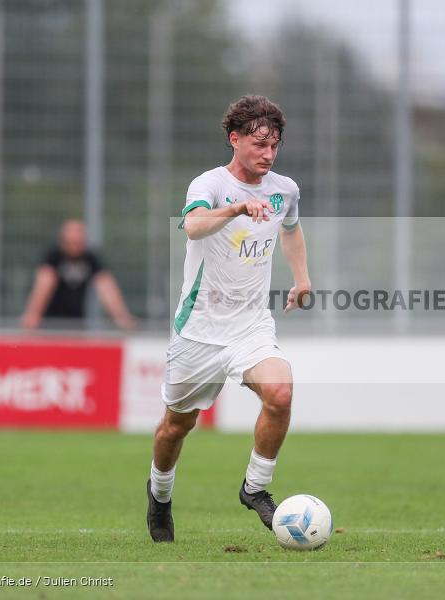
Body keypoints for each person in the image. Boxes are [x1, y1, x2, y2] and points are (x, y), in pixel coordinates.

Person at [146, 95, 311, 542]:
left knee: (280, 390)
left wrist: (301, 278)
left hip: (250, 325)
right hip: (198, 330)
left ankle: (255, 488)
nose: (269, 154)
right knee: (175, 427)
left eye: (275, 145)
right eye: (260, 143)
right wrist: (236, 209)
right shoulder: (210, 184)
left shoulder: (285, 189)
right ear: (234, 139)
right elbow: (194, 225)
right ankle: (159, 494)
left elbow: (291, 229)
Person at [20, 219, 136, 330]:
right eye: (70, 242)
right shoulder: (54, 257)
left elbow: (106, 286)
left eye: (77, 242)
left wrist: (121, 317)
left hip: (77, 322)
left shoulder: (90, 259)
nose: (74, 247)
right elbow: (43, 285)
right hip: (49, 321)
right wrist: (33, 314)